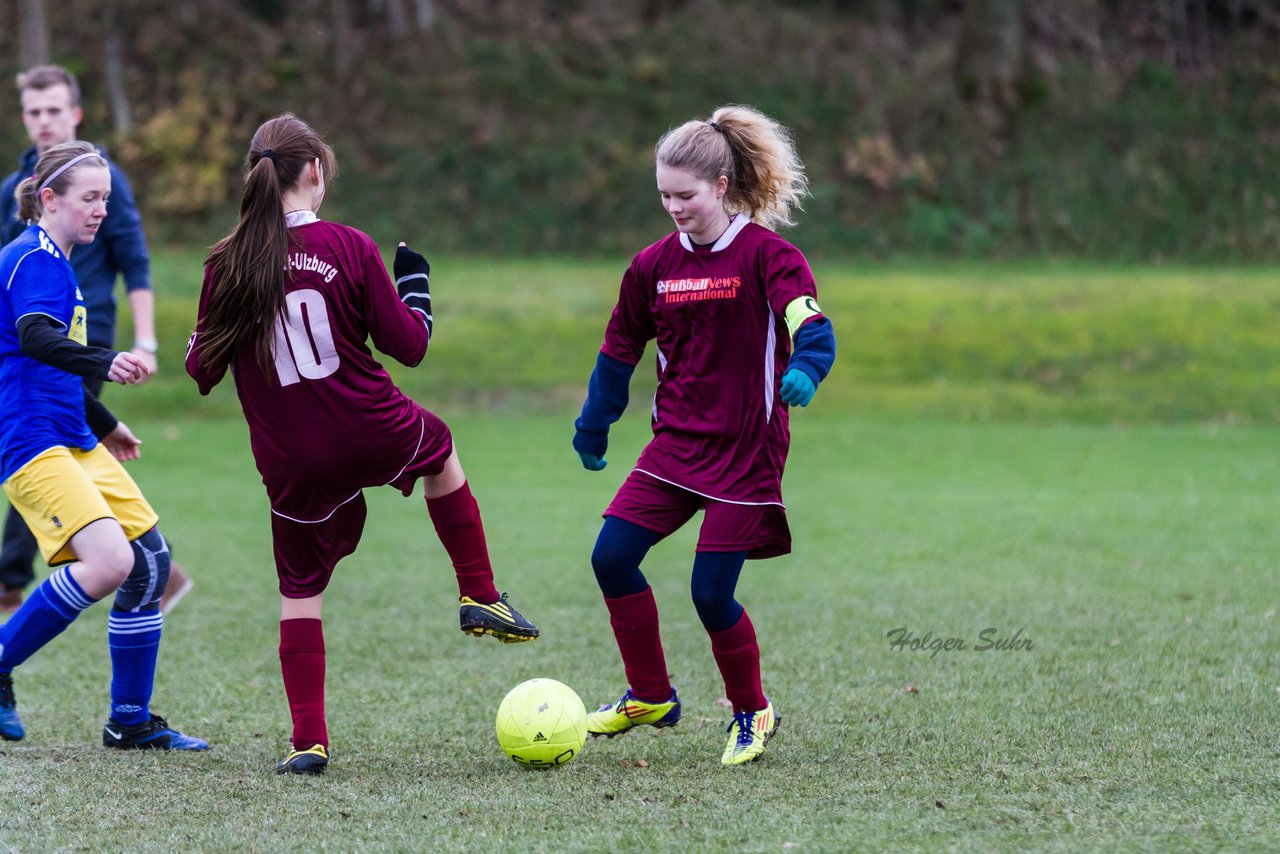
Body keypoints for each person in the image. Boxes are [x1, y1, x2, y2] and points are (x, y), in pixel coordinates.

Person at [185, 114, 539, 775]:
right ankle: (478, 592)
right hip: (368, 424)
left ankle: (309, 741)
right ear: (314, 172)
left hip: (289, 456)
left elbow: (199, 372)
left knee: (299, 590)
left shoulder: (225, 263)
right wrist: (417, 289)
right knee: (439, 449)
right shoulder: (347, 245)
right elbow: (409, 345)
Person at [572, 105, 837, 766]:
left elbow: (811, 321)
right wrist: (594, 422)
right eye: (663, 196)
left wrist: (807, 367)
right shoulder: (653, 266)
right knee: (611, 558)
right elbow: (619, 349)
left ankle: (753, 712)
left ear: (722, 186)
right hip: (675, 446)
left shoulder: (769, 256)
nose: (674, 208)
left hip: (747, 450)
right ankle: (651, 695)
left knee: (710, 593)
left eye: (685, 195)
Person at [0, 140, 207, 750]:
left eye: (106, 199)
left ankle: (130, 720)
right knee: (111, 563)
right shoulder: (32, 258)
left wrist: (103, 421)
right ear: (48, 199)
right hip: (31, 442)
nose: (100, 210)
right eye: (89, 198)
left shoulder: (59, 264)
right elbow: (36, 339)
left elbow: (51, 366)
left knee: (149, 564)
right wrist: (105, 359)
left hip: (74, 436)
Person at [0, 64, 193, 615]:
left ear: (75, 113)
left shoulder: (104, 181)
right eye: (34, 112)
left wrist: (143, 342)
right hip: (37, 344)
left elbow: (133, 257)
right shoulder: (22, 222)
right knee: (45, 445)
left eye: (54, 110)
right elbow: (22, 314)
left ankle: (21, 577)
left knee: (50, 441)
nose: (44, 121)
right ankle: (152, 566)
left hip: (89, 336)